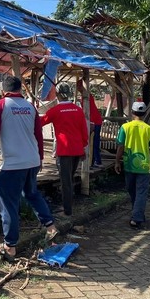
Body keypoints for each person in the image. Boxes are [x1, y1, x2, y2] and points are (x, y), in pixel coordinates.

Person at [0, 75, 59, 260]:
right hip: (31, 161)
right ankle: (51, 226)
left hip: (13, 165)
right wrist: (39, 158)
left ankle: (10, 246)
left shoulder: (0, 105)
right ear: (20, 90)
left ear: (3, 91)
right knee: (32, 194)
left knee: (8, 205)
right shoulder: (30, 107)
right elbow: (38, 135)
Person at [40, 83, 88, 216]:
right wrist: (83, 148)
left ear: (58, 94)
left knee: (66, 182)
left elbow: (40, 122)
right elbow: (84, 132)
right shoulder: (78, 110)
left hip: (64, 151)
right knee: (70, 179)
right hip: (77, 150)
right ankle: (68, 207)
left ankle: (67, 211)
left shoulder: (55, 111)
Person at [114, 101, 150, 229]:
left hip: (129, 164)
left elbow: (120, 146)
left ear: (132, 113)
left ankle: (136, 217)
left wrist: (117, 161)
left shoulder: (125, 127)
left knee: (133, 190)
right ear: (144, 114)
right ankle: (137, 214)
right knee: (140, 192)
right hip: (144, 165)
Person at [88, 94, 103, 166]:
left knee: (94, 142)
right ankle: (93, 160)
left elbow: (91, 111)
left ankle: (97, 161)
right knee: (92, 142)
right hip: (93, 121)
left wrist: (92, 122)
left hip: (95, 122)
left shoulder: (87, 96)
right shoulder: (84, 97)